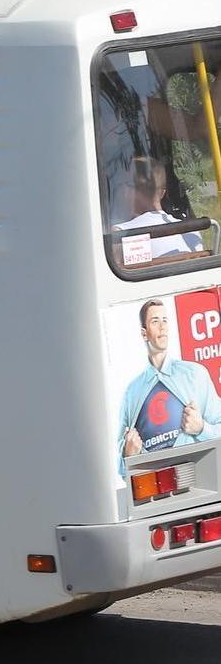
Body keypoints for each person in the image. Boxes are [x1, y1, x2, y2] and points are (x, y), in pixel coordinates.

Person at [118, 298, 221, 474]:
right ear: (144, 333)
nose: (162, 327)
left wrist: (201, 428)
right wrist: (128, 455)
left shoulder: (195, 374)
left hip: (199, 474)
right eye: (155, 321)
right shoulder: (132, 392)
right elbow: (121, 468)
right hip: (156, 486)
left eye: (165, 320)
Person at [114, 160, 203, 260]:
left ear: (130, 190)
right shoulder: (192, 232)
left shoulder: (120, 236)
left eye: (121, 185)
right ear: (162, 193)